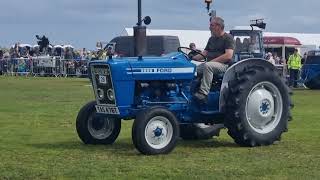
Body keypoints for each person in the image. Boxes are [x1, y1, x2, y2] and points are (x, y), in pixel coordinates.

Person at [192, 16, 235, 102]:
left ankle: (203, 93)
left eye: (212, 25)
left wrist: (211, 62)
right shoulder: (211, 39)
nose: (209, 27)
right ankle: (193, 89)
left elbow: (228, 55)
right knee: (195, 69)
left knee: (208, 66)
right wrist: (191, 57)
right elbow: (204, 53)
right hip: (212, 64)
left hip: (225, 65)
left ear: (218, 26)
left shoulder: (228, 38)